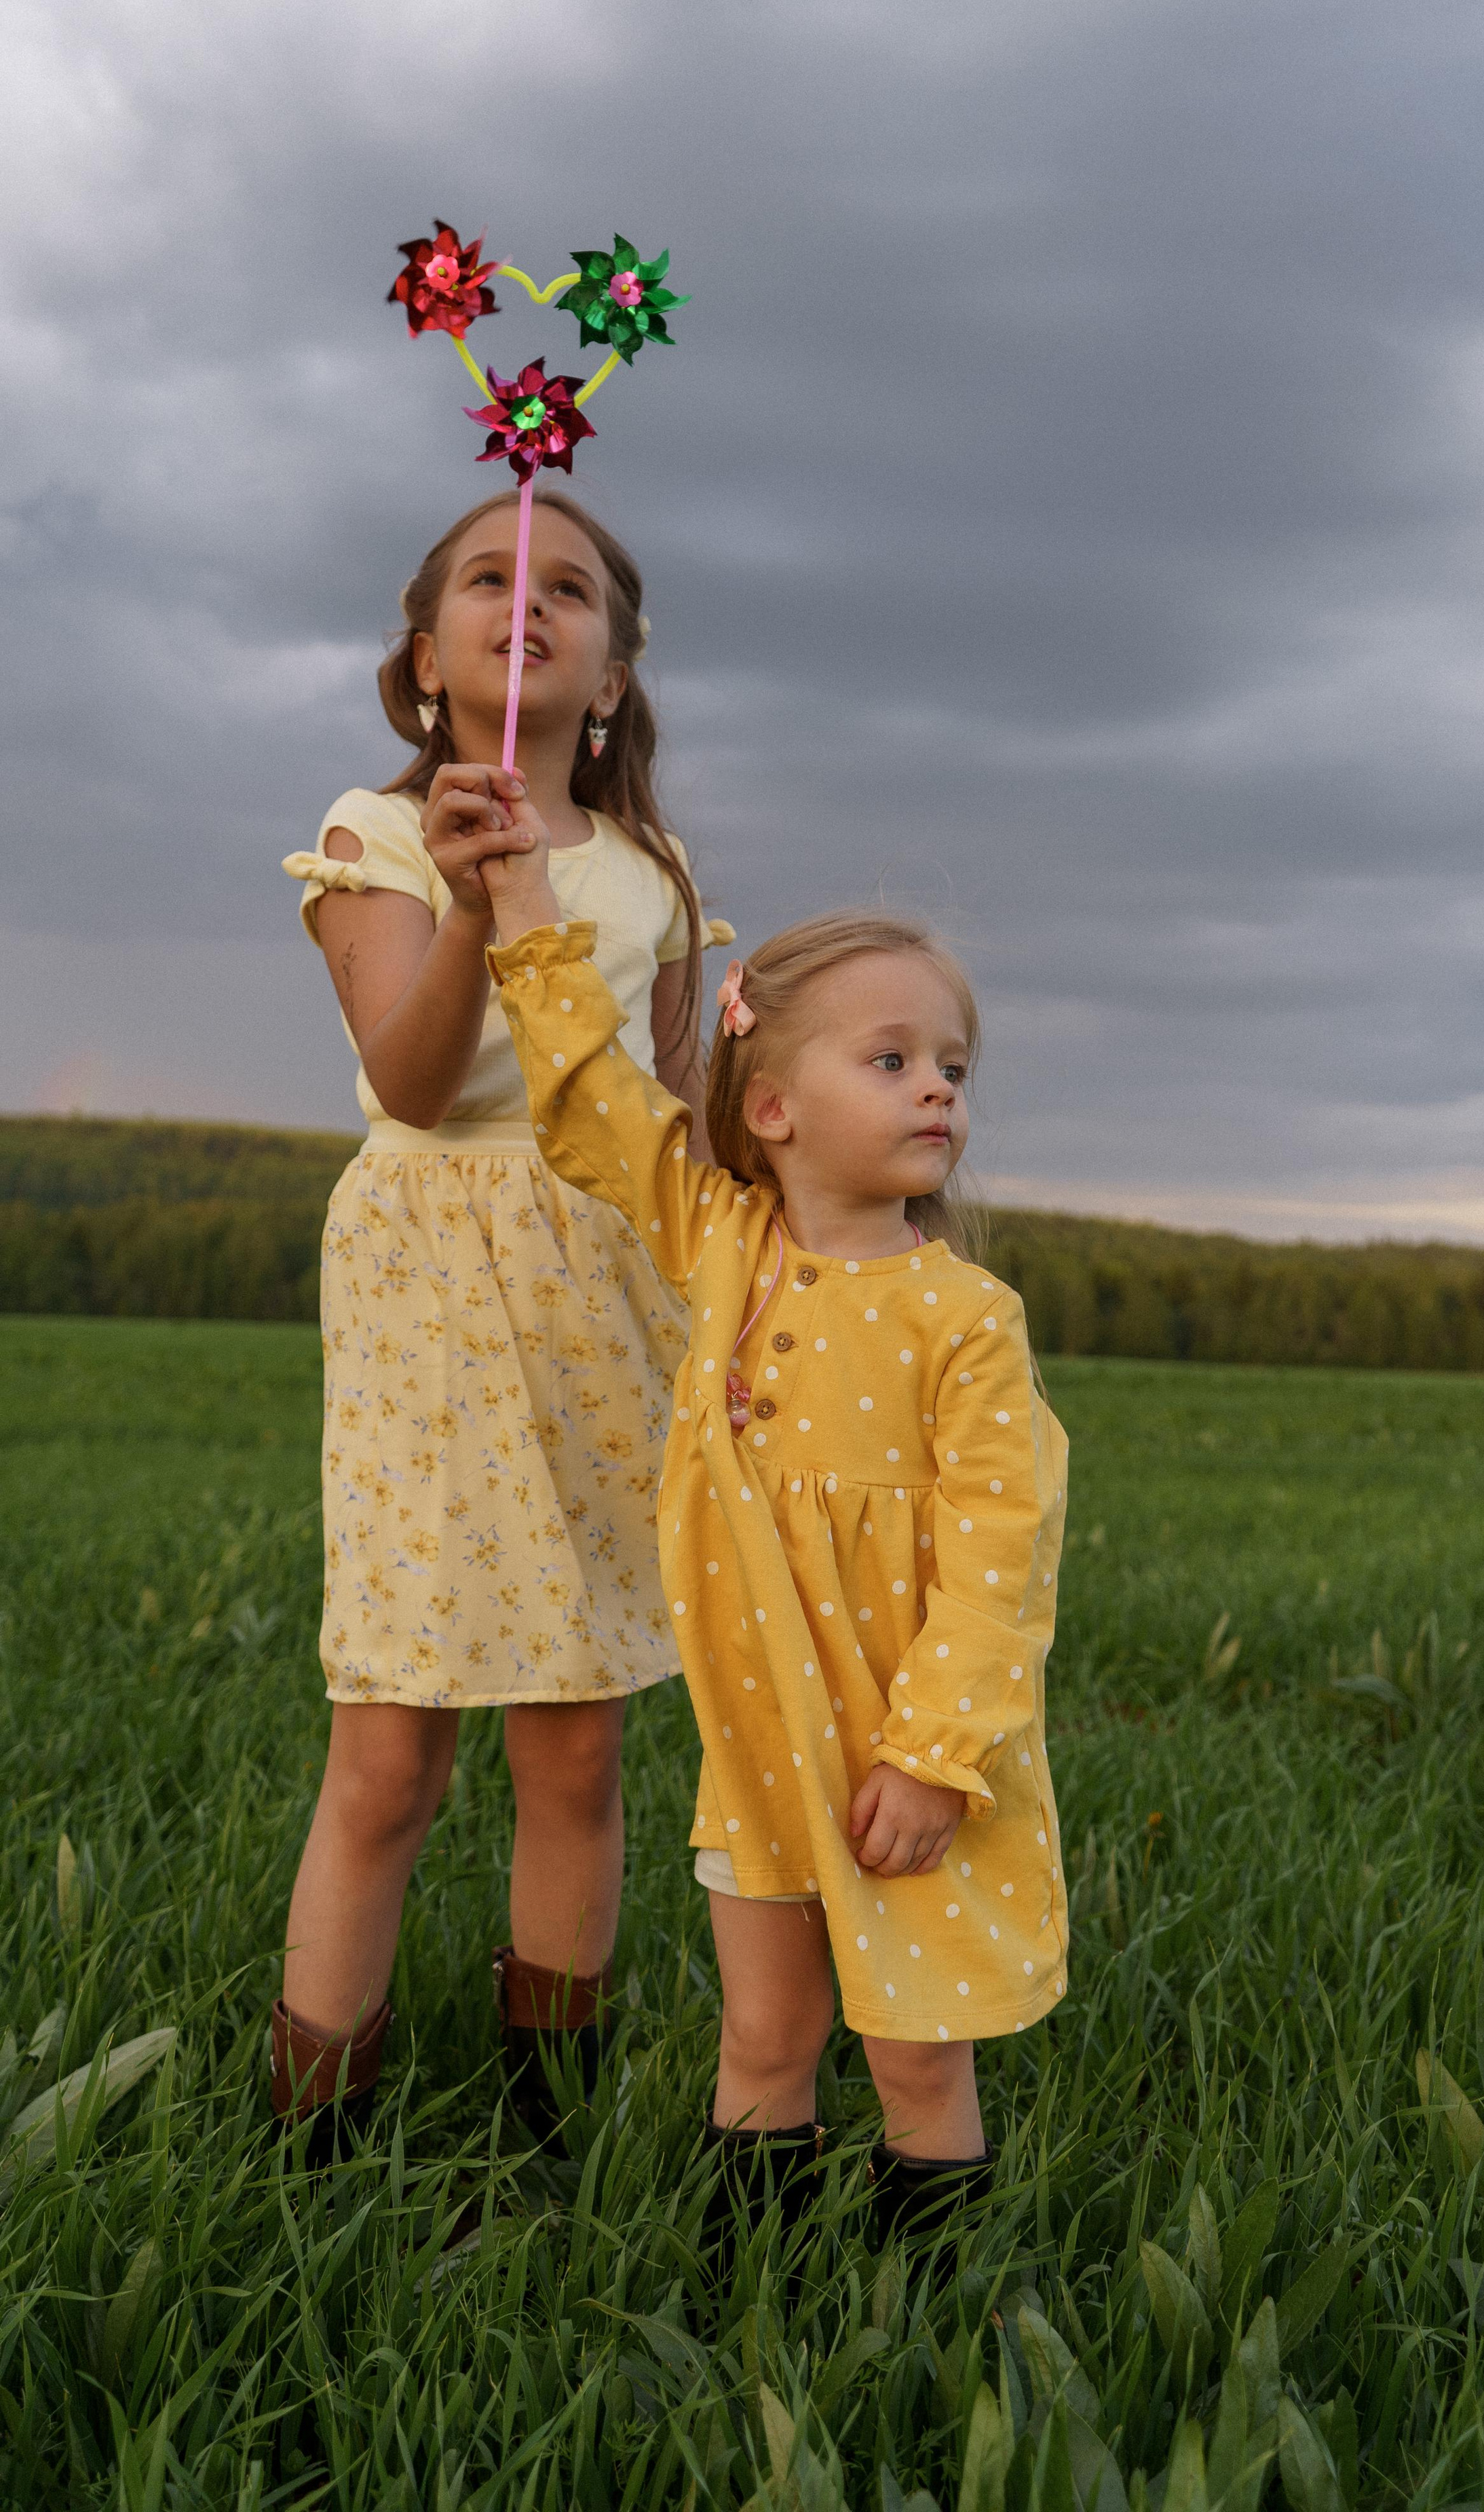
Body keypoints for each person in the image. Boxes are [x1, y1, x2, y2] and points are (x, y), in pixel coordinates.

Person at [454, 769, 1069, 2240]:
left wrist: (934, 1757)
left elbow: (1003, 1553)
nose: (937, 1087)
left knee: (916, 2051)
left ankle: (930, 2318)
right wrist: (520, 897)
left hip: (903, 1760)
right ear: (774, 1106)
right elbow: (593, 1098)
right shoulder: (718, 1239)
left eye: (954, 1067)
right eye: (894, 1058)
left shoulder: (964, 1317)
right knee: (763, 2041)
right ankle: (759, 2312)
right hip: (758, 1745)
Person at [274, 488, 731, 2150]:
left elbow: (678, 1124)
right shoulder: (375, 836)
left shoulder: (650, 872)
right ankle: (311, 2119)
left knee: (577, 1742)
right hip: (426, 1281)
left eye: (571, 593)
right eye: (488, 577)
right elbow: (408, 1071)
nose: (525, 602)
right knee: (393, 1747)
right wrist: (476, 901)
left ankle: (550, 2112)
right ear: (423, 658)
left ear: (608, 676)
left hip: (605, 1293)